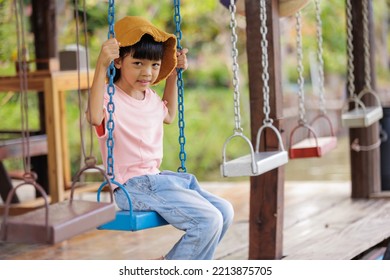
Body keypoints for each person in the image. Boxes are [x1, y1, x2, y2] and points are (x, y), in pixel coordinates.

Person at [87, 16, 234, 260]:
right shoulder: (108, 99)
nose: (147, 72)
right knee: (208, 220)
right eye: (138, 63)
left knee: (224, 211)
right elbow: (93, 117)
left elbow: (169, 116)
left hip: (158, 180)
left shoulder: (151, 98)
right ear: (119, 61)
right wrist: (101, 66)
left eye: (155, 65)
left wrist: (175, 74)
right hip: (131, 186)